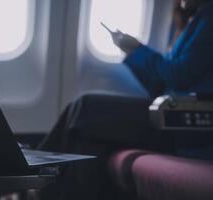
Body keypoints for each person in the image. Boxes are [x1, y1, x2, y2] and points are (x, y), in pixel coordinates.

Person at [39, 0, 213, 200]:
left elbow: (178, 77)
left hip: (188, 125)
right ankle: (42, 189)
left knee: (86, 106)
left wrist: (138, 48)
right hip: (170, 115)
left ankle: (30, 176)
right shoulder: (193, 18)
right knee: (89, 140)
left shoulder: (210, 16)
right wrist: (131, 51)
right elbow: (161, 86)